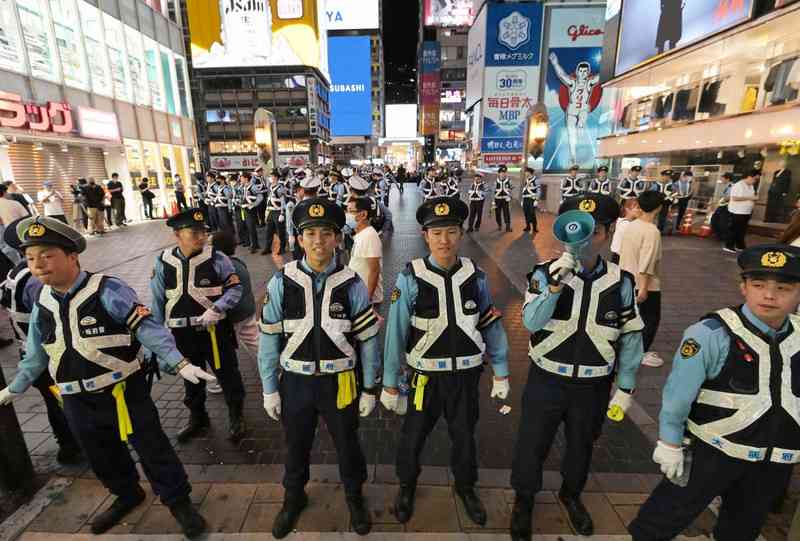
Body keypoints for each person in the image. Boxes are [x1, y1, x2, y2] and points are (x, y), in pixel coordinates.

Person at [0, 216, 209, 538]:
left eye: (47, 255)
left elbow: (148, 329)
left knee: (153, 449)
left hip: (122, 392)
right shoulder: (41, 300)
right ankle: (127, 494)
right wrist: (13, 389)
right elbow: (36, 354)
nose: (37, 265)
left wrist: (179, 363)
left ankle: (179, 502)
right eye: (30, 258)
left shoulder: (108, 289)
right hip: (74, 398)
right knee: (101, 453)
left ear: (72, 256)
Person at [628, 244, 800, 541]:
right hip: (711, 451)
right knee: (661, 521)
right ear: (743, 287)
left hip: (773, 461)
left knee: (742, 529)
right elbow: (678, 394)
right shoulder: (710, 333)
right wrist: (670, 442)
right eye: (758, 285)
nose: (769, 296)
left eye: (783, 288)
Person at [510, 193, 644, 540]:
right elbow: (531, 322)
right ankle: (524, 499)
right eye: (576, 231)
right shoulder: (544, 273)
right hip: (547, 379)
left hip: (594, 384)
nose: (584, 240)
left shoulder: (621, 281)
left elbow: (631, 338)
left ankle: (571, 495)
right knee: (532, 443)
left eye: (595, 231)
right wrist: (556, 284)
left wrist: (626, 387)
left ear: (609, 232)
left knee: (582, 445)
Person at [382, 196, 510, 527]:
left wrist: (501, 371)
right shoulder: (410, 276)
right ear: (425, 235)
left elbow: (489, 322)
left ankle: (466, 489)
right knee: (413, 438)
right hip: (424, 380)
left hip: (465, 378)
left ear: (460, 234)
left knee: (465, 437)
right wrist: (390, 384)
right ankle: (406, 488)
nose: (444, 240)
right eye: (436, 233)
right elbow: (395, 332)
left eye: (451, 232)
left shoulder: (476, 276)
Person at [258, 197, 381, 538]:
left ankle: (355, 497)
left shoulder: (352, 283)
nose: (318, 241)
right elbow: (268, 340)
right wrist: (269, 388)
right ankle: (293, 498)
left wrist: (370, 386)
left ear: (337, 238)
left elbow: (369, 340)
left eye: (326, 233)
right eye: (310, 233)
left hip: (341, 381)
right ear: (299, 239)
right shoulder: (281, 282)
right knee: (296, 444)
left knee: (347, 443)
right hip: (295, 382)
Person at [150, 209, 247, 443]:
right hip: (181, 334)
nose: (201, 237)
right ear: (177, 234)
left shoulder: (217, 258)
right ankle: (198, 417)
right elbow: (157, 302)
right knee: (190, 378)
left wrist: (218, 308)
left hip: (215, 332)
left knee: (228, 374)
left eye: (203, 232)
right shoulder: (163, 261)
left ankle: (236, 415)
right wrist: (157, 341)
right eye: (194, 233)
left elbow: (235, 288)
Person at [0, 217, 81, 464]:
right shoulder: (37, 281)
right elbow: (54, 313)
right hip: (49, 353)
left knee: (52, 400)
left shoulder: (13, 274)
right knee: (63, 402)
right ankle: (72, 444)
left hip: (28, 349)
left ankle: (66, 444)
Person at [619, 191, 665, 368]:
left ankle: (630, 350)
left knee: (631, 318)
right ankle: (641, 353)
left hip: (627, 279)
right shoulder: (652, 231)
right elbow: (647, 263)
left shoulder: (632, 225)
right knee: (650, 319)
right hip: (645, 284)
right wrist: (644, 287)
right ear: (659, 207)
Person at [548, 52, 601, 166]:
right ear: (577, 72)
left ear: (588, 73)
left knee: (583, 117)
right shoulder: (572, 82)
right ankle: (573, 156)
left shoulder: (589, 83)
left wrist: (606, 63)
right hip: (571, 111)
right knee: (571, 134)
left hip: (583, 110)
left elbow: (600, 76)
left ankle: (581, 127)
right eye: (581, 71)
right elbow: (561, 75)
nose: (583, 73)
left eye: (585, 71)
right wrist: (555, 63)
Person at [211, 230, 258, 354]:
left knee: (224, 348)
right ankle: (272, 367)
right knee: (255, 341)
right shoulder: (239, 263)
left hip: (234, 314)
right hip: (248, 309)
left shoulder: (221, 266)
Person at [347, 197, 383, 308]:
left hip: (367, 299)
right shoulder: (361, 234)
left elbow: (374, 270)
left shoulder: (369, 236)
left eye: (351, 211)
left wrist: (367, 299)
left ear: (363, 215)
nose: (347, 214)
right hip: (360, 296)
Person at [725, 169, 761, 254]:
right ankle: (729, 245)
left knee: (742, 230)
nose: (755, 181)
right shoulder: (738, 185)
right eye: (755, 179)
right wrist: (751, 198)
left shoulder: (751, 186)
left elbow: (751, 197)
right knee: (735, 229)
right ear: (749, 177)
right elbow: (734, 198)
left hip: (746, 211)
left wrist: (754, 199)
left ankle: (740, 245)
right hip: (737, 211)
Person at [263, 169, 287, 256]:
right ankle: (267, 248)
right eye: (270, 176)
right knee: (269, 231)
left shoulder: (280, 188)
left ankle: (282, 248)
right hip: (270, 211)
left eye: (272, 176)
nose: (270, 178)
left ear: (276, 177)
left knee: (280, 231)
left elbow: (283, 201)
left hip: (277, 211)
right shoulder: (270, 186)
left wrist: (282, 213)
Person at [610, 199, 641, 264]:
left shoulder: (622, 221)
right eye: (637, 208)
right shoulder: (626, 225)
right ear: (627, 209)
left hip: (618, 257)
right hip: (622, 258)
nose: (640, 210)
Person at [241, 172, 264, 253]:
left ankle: (254, 245)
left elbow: (260, 197)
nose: (241, 179)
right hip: (245, 209)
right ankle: (254, 244)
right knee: (248, 227)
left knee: (251, 228)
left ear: (246, 179)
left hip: (250, 210)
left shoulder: (253, 186)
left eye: (242, 178)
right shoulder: (244, 186)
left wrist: (253, 205)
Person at [521, 167, 540, 234]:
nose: (525, 173)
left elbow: (538, 190)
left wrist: (536, 200)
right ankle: (528, 226)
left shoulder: (536, 180)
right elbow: (524, 190)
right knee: (526, 213)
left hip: (532, 199)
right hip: (525, 199)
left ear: (529, 172)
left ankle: (535, 227)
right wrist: (522, 200)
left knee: (532, 214)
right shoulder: (526, 180)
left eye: (526, 172)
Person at [494, 165, 513, 232]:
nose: (503, 174)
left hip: (505, 200)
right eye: (501, 172)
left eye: (504, 172)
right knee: (497, 213)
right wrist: (493, 201)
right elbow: (493, 191)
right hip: (497, 200)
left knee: (506, 213)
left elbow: (511, 189)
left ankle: (508, 226)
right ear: (499, 173)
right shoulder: (496, 182)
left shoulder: (509, 181)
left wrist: (510, 197)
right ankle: (499, 225)